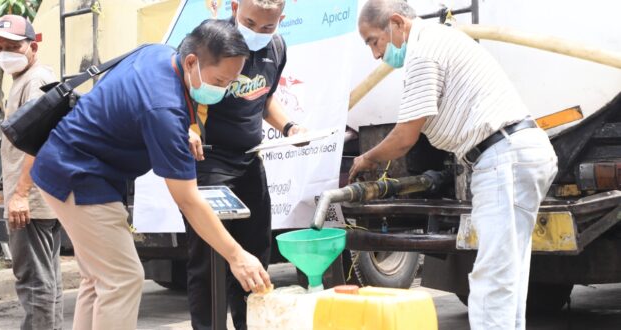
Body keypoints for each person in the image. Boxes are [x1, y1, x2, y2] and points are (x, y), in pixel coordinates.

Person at [29, 19, 271, 329]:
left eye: (230, 83)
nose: (223, 91)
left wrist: (184, 128)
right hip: (79, 174)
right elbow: (188, 200)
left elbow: (133, 101)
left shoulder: (160, 54)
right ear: (192, 61)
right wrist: (237, 256)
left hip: (68, 162)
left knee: (99, 279)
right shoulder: (164, 110)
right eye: (220, 81)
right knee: (124, 279)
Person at [351, 1, 558, 329]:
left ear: (395, 23)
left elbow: (405, 137)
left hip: (504, 158)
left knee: (493, 279)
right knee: (508, 276)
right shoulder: (437, 39)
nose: (376, 55)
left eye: (373, 41)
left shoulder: (423, 50)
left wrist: (366, 158)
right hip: (515, 154)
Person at [183, 1, 305, 329]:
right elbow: (181, 93)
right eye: (249, 22)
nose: (257, 33)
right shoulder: (209, 41)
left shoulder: (276, 47)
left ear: (281, 19)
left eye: (267, 26)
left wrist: (290, 128)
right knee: (209, 262)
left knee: (255, 255)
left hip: (250, 160)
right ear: (234, 6)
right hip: (208, 162)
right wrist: (187, 128)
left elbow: (265, 100)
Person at [0, 15, 63, 330]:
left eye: (13, 46)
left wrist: (19, 194)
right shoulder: (21, 78)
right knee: (46, 279)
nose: (4, 52)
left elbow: (42, 139)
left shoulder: (35, 81)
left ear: (33, 45)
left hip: (29, 199)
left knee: (34, 282)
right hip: (34, 196)